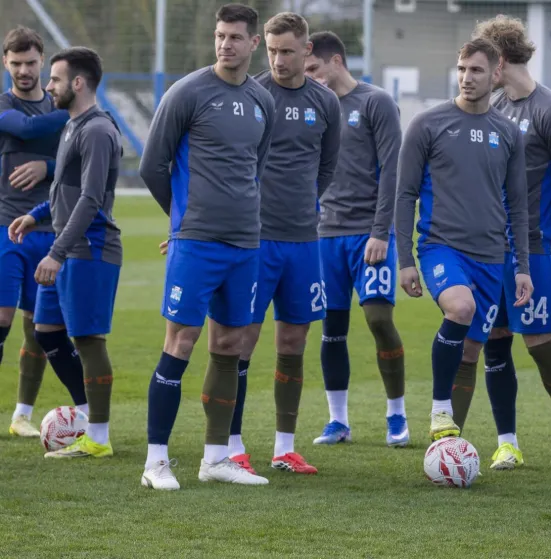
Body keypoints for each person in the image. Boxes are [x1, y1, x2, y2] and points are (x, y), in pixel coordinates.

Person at [450, 14, 551, 471]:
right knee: (489, 342)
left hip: (531, 248)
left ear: (499, 63)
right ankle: (506, 442)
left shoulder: (550, 110)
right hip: (485, 250)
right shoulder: (493, 107)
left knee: (540, 343)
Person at [138, 3, 276, 490]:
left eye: (236, 37)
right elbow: (152, 166)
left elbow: (254, 168)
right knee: (181, 342)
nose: (225, 44)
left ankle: (216, 457)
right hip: (196, 243)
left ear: (253, 43)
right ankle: (156, 462)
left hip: (246, 244)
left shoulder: (264, 102)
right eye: (220, 36)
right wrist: (181, 221)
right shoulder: (187, 93)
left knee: (231, 346)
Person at [395, 38, 532, 444]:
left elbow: (518, 206)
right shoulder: (428, 124)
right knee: (460, 307)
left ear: (496, 73)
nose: (466, 78)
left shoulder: (507, 134)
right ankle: (439, 410)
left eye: (475, 70)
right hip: (442, 247)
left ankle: (448, 446)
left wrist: (521, 267)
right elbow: (404, 195)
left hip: (491, 257)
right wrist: (406, 259)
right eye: (461, 69)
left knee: (470, 353)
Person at [223, 12, 341, 477]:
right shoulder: (251, 96)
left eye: (287, 50)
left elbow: (327, 165)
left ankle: (284, 447)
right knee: (241, 342)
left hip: (302, 241)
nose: (277, 59)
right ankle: (232, 445)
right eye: (271, 50)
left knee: (293, 340)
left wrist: (307, 201)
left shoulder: (324, 103)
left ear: (306, 50)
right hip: (254, 240)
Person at [8, 46, 123, 460]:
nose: (48, 86)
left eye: (54, 79)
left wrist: (55, 252)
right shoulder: (74, 126)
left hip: (90, 250)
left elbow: (91, 199)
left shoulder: (97, 130)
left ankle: (99, 437)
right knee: (45, 331)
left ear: (77, 83)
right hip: (69, 247)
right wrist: (34, 214)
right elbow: (64, 191)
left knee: (89, 340)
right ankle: (89, 411)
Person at [304, 31, 409, 448]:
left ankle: (397, 414)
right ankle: (338, 421)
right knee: (331, 329)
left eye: (314, 69)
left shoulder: (375, 102)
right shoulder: (311, 104)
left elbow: (393, 172)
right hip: (322, 236)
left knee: (379, 320)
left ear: (336, 61)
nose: (309, 78)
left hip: (368, 235)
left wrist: (380, 232)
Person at [0, 26, 79, 437]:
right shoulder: (4, 107)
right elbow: (28, 130)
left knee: (38, 327)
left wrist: (47, 167)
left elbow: (82, 158)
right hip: (5, 226)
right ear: (5, 64)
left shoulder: (61, 108)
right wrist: (68, 114)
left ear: (42, 61)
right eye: (16, 63)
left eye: (31, 63)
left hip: (51, 229)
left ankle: (21, 415)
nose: (25, 71)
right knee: (2, 316)